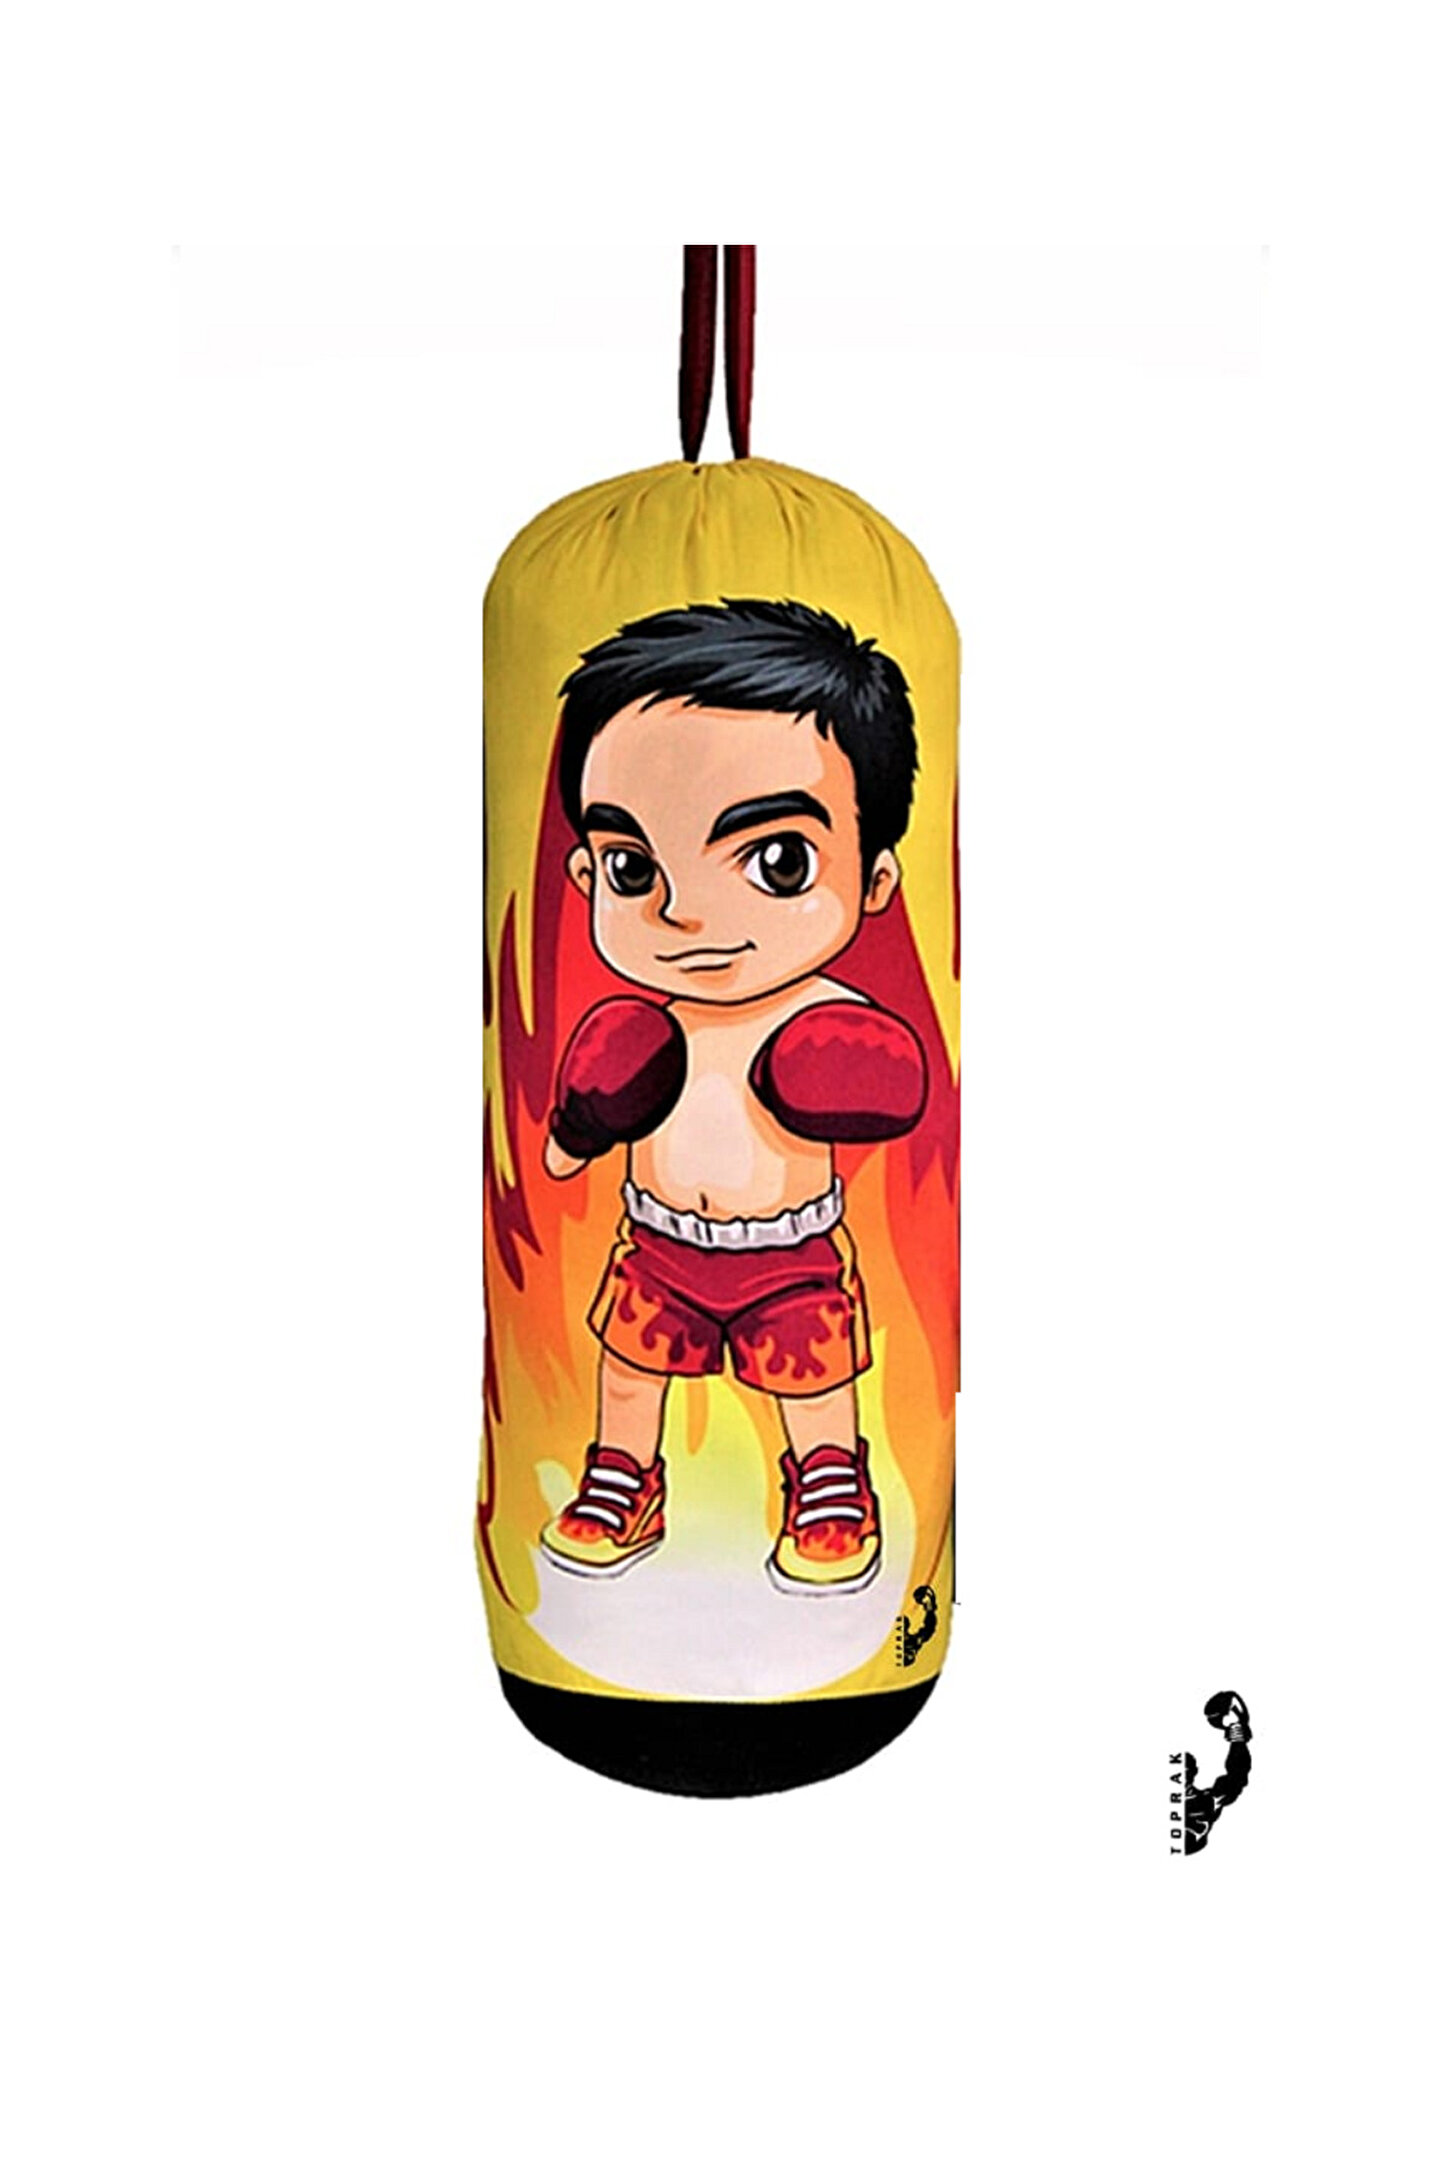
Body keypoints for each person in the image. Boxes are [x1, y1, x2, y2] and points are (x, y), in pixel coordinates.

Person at [538, 599, 928, 1594]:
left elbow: (892, 1083)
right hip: (658, 1239)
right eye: (633, 868)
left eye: (777, 861)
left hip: (790, 1250)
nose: (685, 912)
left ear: (875, 879)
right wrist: (578, 1129)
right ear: (585, 871)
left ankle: (829, 1479)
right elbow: (594, 1100)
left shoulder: (823, 1016)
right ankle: (624, 1476)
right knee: (630, 1369)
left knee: (816, 1378)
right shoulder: (644, 1026)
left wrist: (847, 1074)